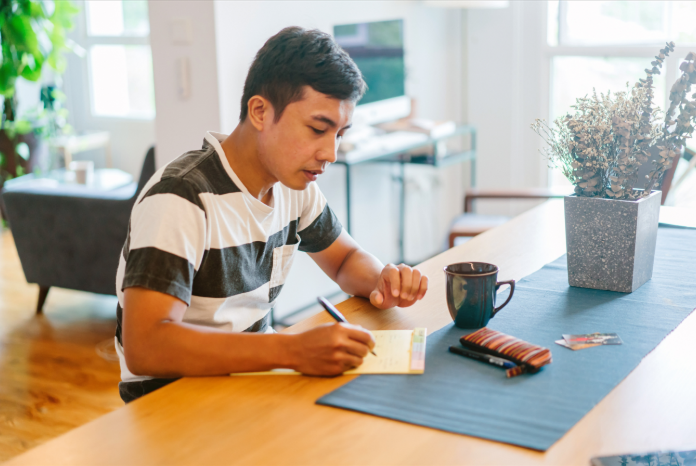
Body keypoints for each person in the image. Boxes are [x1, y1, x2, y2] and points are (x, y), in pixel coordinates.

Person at [115, 26, 429, 403]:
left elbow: (345, 259)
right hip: (172, 399)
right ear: (260, 111)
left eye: (340, 134)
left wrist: (383, 279)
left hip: (250, 383)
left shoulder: (292, 188)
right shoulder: (181, 198)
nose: (330, 152)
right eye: (317, 129)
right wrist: (291, 350)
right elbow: (146, 345)